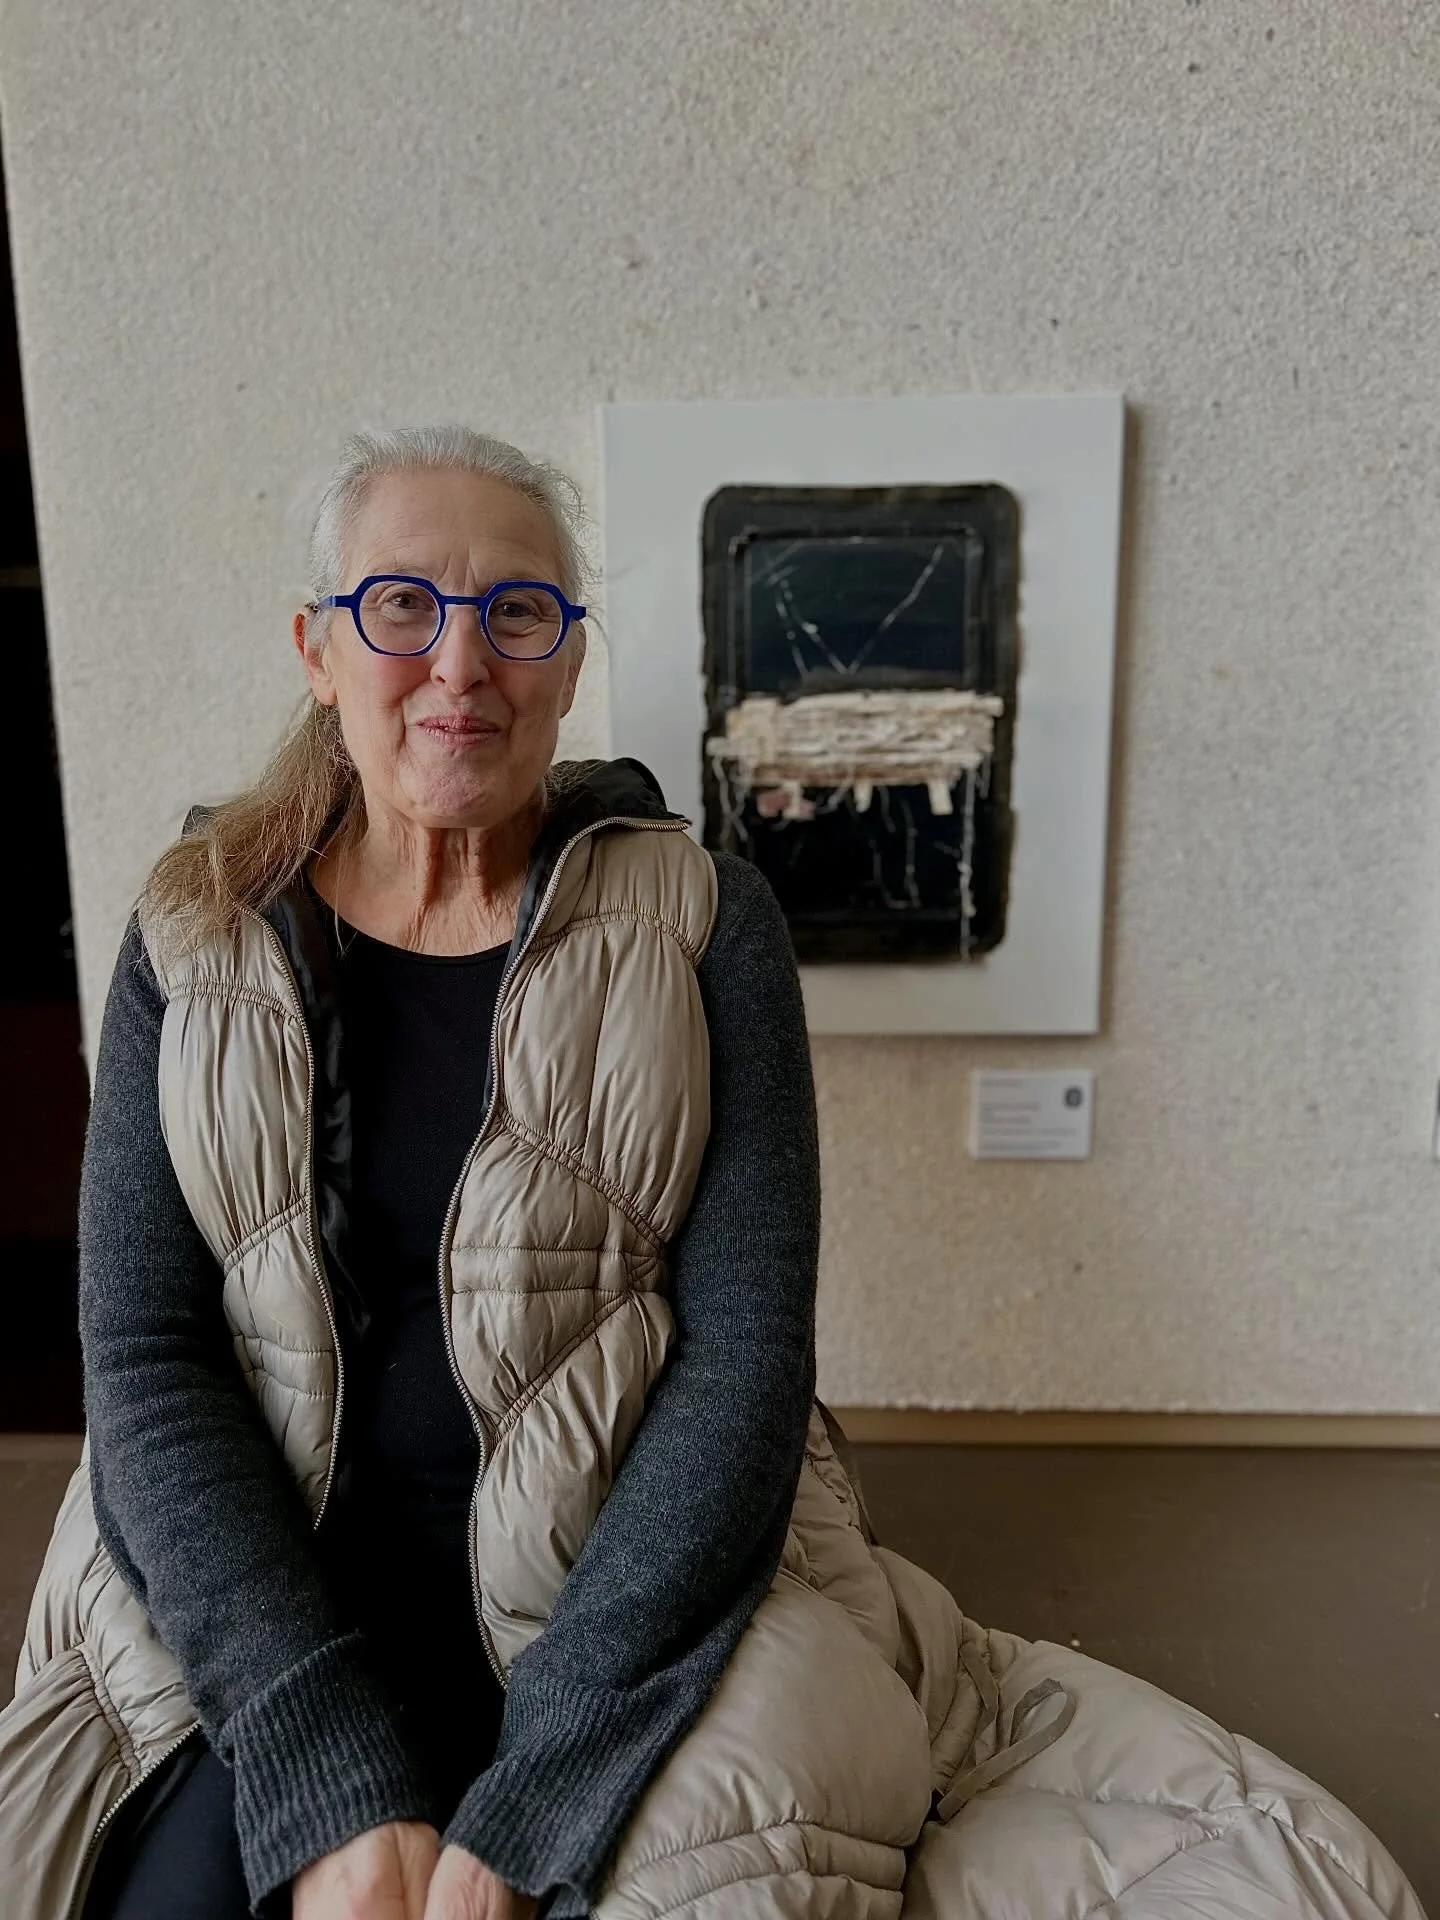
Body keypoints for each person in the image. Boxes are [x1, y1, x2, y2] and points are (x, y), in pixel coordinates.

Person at [0, 426, 1425, 1920]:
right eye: (403, 605)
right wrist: (320, 1757)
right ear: (318, 648)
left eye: (518, 613)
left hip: (614, 1596)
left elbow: (746, 1358)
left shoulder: (704, 919)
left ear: (568, 659)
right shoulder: (194, 933)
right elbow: (147, 1358)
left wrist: (546, 1784)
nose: (461, 664)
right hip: (264, 1602)